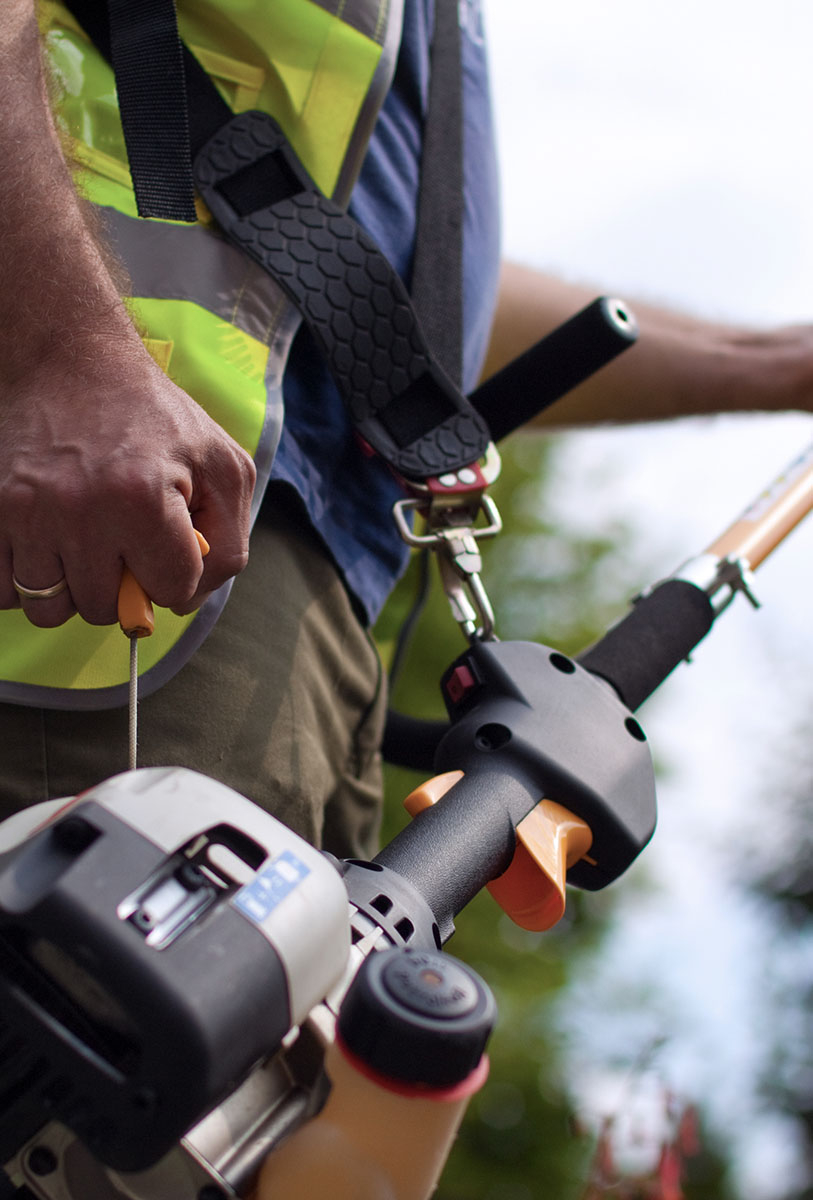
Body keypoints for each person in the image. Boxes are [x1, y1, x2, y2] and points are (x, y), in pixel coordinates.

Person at [1, 0, 812, 863]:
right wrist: (62, 353)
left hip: (286, 618)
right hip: (123, 547)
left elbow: (372, 307)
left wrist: (776, 365)